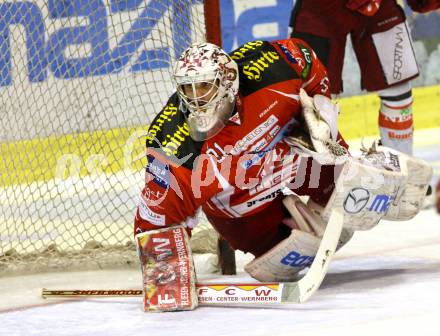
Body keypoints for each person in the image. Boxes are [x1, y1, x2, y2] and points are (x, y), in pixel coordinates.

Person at [134, 39, 432, 311]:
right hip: (237, 199)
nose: (195, 99)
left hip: (288, 155)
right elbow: (155, 217)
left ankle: (378, 174)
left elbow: (307, 60)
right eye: (187, 88)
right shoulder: (174, 144)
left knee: (354, 183)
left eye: (203, 87)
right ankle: (294, 223)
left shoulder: (269, 68)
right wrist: (165, 275)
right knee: (283, 254)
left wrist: (318, 111)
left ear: (227, 82)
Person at [289, 0, 440, 157]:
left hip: (378, 7)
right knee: (311, 97)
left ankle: (401, 164)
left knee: (398, 91)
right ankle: (308, 171)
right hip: (323, 8)